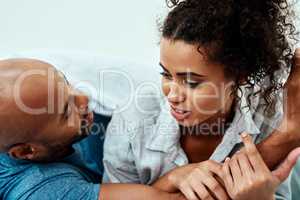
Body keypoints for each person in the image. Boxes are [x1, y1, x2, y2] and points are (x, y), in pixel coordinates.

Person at [103, 0, 300, 199]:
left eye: (191, 83)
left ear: (240, 75)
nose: (172, 95)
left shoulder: (270, 118)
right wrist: (172, 178)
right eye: (166, 75)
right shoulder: (132, 120)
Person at [0, 58, 185, 200]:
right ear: (26, 151)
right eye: (66, 112)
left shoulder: (34, 101)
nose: (84, 98)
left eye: (66, 82)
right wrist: (174, 177)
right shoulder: (44, 189)